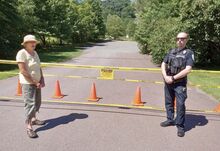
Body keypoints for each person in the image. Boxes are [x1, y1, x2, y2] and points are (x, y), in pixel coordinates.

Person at [160, 32, 194, 137]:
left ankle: (180, 126)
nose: (180, 40)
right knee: (168, 102)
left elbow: (188, 69)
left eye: (182, 38)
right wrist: (166, 76)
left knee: (180, 105)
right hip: (168, 81)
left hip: (179, 84)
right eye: (178, 38)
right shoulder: (172, 51)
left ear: (186, 39)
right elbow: (163, 63)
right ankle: (170, 119)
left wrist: (173, 78)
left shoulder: (188, 53)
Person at [16, 35, 46, 138]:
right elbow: (23, 70)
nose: (33, 44)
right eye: (31, 42)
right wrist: (34, 82)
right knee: (30, 104)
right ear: (25, 44)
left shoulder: (35, 53)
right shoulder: (22, 53)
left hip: (37, 82)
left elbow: (38, 66)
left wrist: (42, 78)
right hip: (28, 83)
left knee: (37, 102)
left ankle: (33, 119)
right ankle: (29, 127)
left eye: (34, 42)